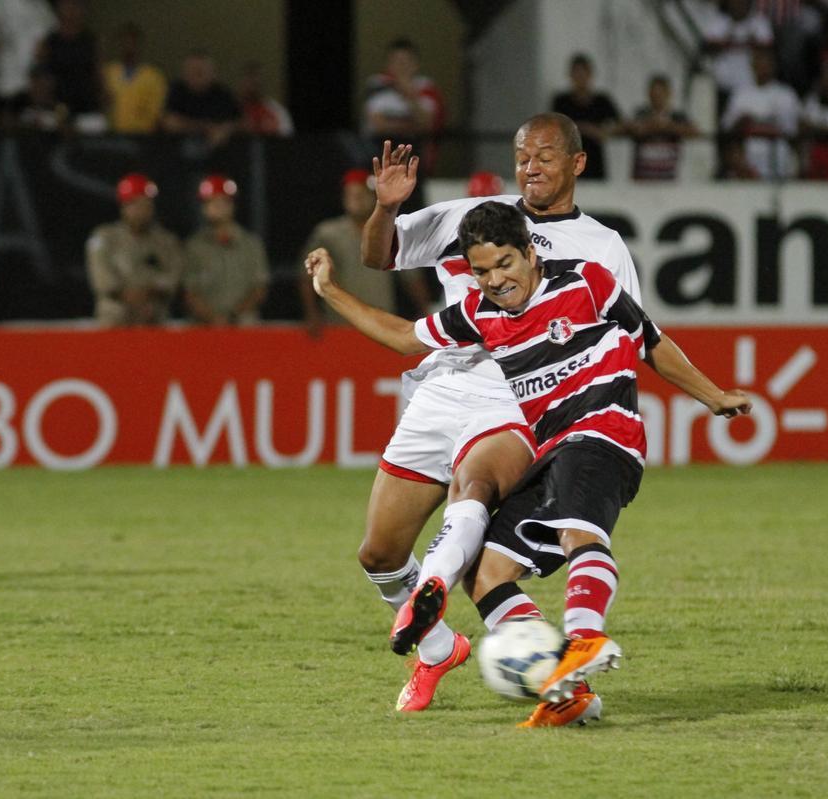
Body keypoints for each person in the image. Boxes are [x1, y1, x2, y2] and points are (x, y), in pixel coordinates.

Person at [307, 201, 750, 727]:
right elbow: (404, 338)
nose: (496, 280)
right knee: (486, 573)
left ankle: (583, 638)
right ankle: (565, 693)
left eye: (506, 264)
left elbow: (649, 340)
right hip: (549, 450)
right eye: (482, 271)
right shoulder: (480, 314)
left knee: (575, 530)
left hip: (602, 434)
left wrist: (713, 395)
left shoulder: (588, 281)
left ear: (531, 253)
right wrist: (331, 291)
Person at [354, 113, 641, 717]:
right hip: (439, 390)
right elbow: (379, 256)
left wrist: (593, 427)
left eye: (545, 155)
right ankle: (437, 647)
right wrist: (385, 209)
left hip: (517, 397)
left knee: (475, 500)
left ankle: (562, 681)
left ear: (577, 164)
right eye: (522, 155)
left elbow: (629, 340)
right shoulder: (473, 217)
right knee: (379, 554)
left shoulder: (601, 248)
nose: (531, 166)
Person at [298, 169, 427, 338]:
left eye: (361, 194)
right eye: (351, 194)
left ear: (374, 196)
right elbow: (306, 277)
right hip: (339, 322)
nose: (356, 199)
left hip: (381, 322)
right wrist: (312, 314)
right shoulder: (327, 233)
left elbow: (411, 277)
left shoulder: (389, 231)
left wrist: (424, 311)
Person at [85, 173, 184, 325]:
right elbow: (102, 279)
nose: (142, 210)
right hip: (115, 316)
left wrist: (149, 292)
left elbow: (173, 278)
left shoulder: (166, 241)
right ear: (124, 206)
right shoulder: (104, 237)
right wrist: (131, 298)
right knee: (114, 312)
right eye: (135, 204)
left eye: (147, 204)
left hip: (154, 315)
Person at [182, 175, 269, 325]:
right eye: (210, 202)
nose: (216, 207)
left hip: (242, 323)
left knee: (248, 323)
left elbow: (260, 288)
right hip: (204, 325)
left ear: (232, 205)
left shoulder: (250, 244)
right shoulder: (194, 246)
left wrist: (234, 315)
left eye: (222, 201)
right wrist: (213, 319)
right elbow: (189, 292)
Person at [361, 38, 444, 173]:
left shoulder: (426, 87)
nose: (401, 66)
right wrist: (411, 126)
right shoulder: (377, 84)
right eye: (397, 61)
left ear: (415, 64)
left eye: (406, 61)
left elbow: (426, 123)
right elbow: (378, 124)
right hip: (381, 148)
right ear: (389, 64)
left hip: (413, 150)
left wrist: (409, 94)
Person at [720, 47, 801, 180]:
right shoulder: (740, 93)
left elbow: (792, 131)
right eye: (758, 62)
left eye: (766, 62)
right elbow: (727, 129)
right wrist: (741, 122)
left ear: (773, 66)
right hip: (747, 157)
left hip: (778, 155)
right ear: (752, 65)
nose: (762, 66)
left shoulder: (786, 94)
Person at [35, 0, 106, 133]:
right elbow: (41, 78)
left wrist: (103, 102)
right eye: (67, 5)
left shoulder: (91, 41)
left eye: (76, 5)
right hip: (55, 111)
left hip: (87, 111)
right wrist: (41, 108)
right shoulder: (49, 42)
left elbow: (99, 76)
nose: (71, 10)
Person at [550, 53, 622, 181]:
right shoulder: (561, 101)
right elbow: (554, 126)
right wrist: (585, 128)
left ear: (590, 75)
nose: (580, 78)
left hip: (594, 162)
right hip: (568, 161)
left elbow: (621, 124)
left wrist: (603, 132)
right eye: (576, 73)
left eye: (583, 73)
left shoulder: (601, 101)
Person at [161, 51, 242, 149]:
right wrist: (205, 128)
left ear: (213, 73)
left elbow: (240, 122)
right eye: (192, 71)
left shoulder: (223, 94)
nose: (196, 76)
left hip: (218, 154)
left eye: (201, 72)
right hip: (176, 151)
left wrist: (226, 130)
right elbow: (169, 122)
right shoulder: (174, 91)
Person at [628, 74, 700, 180]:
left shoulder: (677, 116)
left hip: (667, 179)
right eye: (653, 94)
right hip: (642, 179)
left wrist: (668, 127)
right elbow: (631, 128)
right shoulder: (641, 113)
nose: (656, 98)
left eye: (659, 94)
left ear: (668, 93)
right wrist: (651, 126)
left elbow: (695, 132)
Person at [103, 21, 167, 134]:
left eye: (132, 42)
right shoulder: (107, 73)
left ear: (139, 45)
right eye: (124, 42)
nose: (128, 47)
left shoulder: (154, 76)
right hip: (111, 135)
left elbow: (157, 113)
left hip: (142, 136)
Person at [238, 60, 293, 137]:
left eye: (255, 83)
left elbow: (287, 136)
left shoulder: (276, 111)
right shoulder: (233, 109)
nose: (252, 87)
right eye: (248, 81)